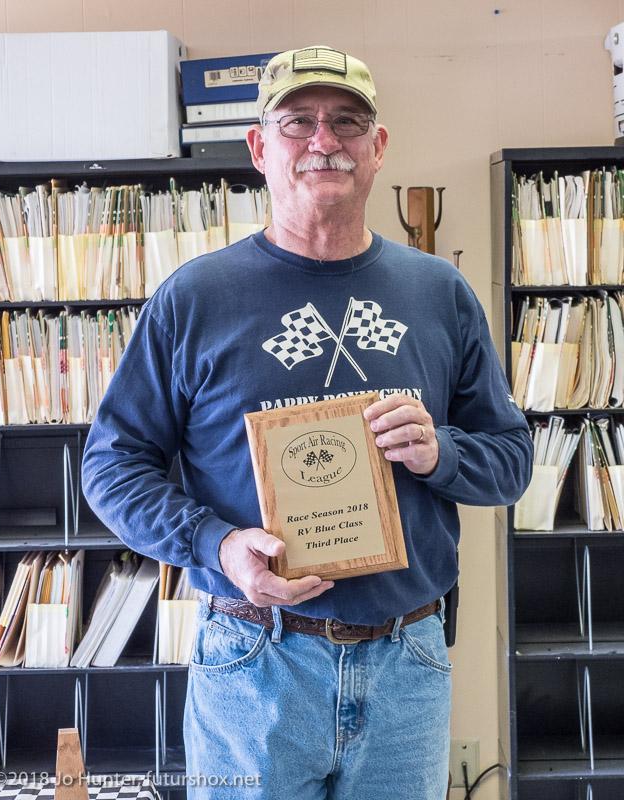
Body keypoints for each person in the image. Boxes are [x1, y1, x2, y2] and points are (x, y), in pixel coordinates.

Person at [82, 45, 533, 800]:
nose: (325, 141)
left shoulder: (439, 292)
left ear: (378, 146)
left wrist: (441, 453)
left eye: (348, 122)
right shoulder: (194, 298)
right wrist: (216, 544)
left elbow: (511, 460)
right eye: (298, 122)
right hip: (251, 660)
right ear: (260, 148)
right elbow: (110, 465)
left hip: (407, 663)